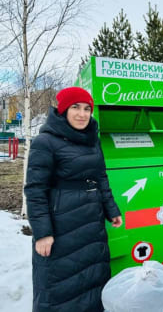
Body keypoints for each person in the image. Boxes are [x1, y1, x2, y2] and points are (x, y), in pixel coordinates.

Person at [24, 87, 123, 312]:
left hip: (91, 223)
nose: (82, 114)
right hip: (61, 227)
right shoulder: (45, 142)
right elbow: (35, 190)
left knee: (92, 281)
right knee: (60, 287)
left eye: (87, 109)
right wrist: (43, 233)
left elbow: (100, 177)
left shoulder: (92, 139)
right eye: (75, 107)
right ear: (63, 110)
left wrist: (111, 208)